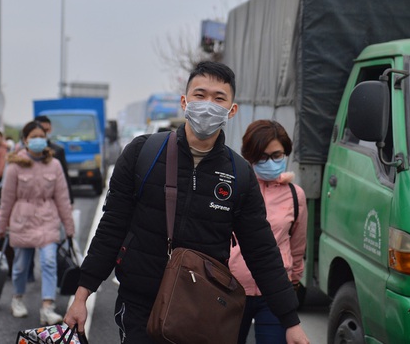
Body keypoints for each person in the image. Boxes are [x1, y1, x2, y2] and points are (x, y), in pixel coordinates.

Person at [65, 61, 310, 344]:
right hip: (140, 304)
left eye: (219, 98)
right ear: (184, 101)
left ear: (232, 110)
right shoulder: (142, 153)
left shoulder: (239, 174)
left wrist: (290, 322)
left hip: (200, 310)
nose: (208, 105)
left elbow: (262, 251)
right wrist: (82, 295)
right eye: (200, 95)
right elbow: (111, 227)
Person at [229, 120, 308, 343]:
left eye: (277, 155)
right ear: (250, 157)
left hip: (275, 294)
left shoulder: (295, 195)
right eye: (262, 157)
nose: (270, 162)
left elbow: (298, 245)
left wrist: (293, 282)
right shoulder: (235, 190)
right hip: (232, 290)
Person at [0, 121, 75, 324]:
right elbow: (6, 199)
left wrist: (69, 227)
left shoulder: (54, 165)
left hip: (48, 219)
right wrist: (0, 227)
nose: (38, 140)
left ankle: (48, 306)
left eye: (41, 136)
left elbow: (63, 198)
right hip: (22, 220)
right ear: (24, 140)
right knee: (21, 265)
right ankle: (17, 299)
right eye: (33, 137)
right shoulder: (15, 165)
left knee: (49, 261)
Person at [34, 115, 73, 204]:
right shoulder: (22, 154)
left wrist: (70, 200)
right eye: (41, 130)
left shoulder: (57, 151)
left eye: (46, 130)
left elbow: (64, 178)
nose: (44, 134)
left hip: (51, 202)